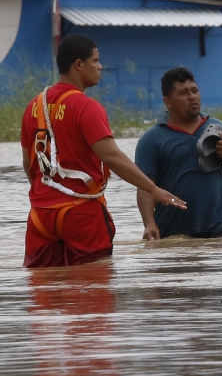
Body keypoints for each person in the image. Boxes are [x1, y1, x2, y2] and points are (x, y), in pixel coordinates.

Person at [19, 34, 185, 267]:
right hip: (82, 214)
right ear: (79, 64)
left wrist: (48, 196)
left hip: (40, 216)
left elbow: (29, 164)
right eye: (95, 61)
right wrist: (154, 190)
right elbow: (112, 156)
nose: (100, 66)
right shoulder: (87, 107)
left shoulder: (34, 107)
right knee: (94, 292)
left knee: (45, 294)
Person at [135, 67, 222, 240]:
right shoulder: (152, 139)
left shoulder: (217, 129)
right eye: (184, 93)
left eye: (195, 91)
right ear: (168, 101)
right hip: (174, 232)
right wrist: (149, 224)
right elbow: (145, 187)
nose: (192, 97)